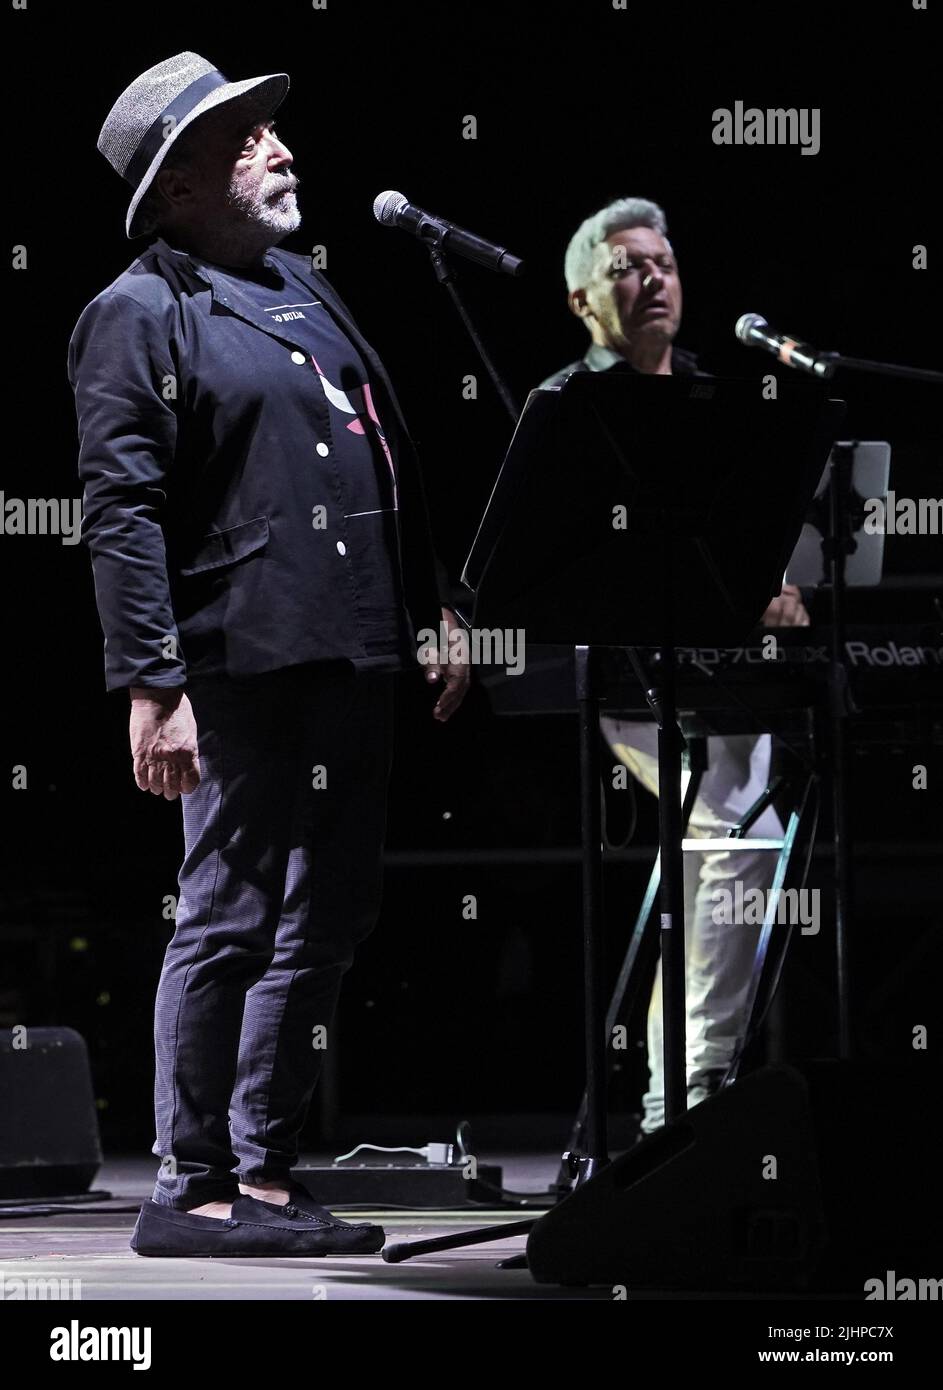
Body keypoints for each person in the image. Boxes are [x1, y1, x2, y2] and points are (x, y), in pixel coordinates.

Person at [68, 52, 468, 1257]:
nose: (279, 150)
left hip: (352, 652)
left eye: (268, 134)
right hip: (238, 660)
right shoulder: (139, 310)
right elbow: (120, 509)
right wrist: (153, 684)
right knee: (231, 915)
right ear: (179, 185)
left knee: (328, 919)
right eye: (245, 140)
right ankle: (187, 1187)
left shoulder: (303, 286)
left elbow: (382, 446)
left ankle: (267, 1172)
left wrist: (436, 605)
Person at [539, 197, 809, 1135]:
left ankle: (685, 1104)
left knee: (728, 849)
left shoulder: (721, 402)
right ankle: (694, 1102)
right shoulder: (567, 410)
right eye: (626, 266)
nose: (652, 278)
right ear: (582, 301)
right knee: (734, 826)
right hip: (628, 683)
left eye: (663, 262)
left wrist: (781, 576)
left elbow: (768, 533)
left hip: (727, 679)